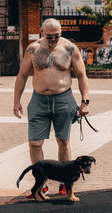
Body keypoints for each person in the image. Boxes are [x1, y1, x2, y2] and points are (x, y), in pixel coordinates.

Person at [13, 18, 89, 196]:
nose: (53, 39)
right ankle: (42, 184)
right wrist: (16, 101)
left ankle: (65, 182)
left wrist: (85, 101)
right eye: (50, 36)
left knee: (63, 141)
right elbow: (22, 76)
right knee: (34, 143)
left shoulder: (70, 48)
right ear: (41, 32)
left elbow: (82, 75)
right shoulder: (33, 49)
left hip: (64, 99)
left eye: (57, 36)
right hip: (39, 100)